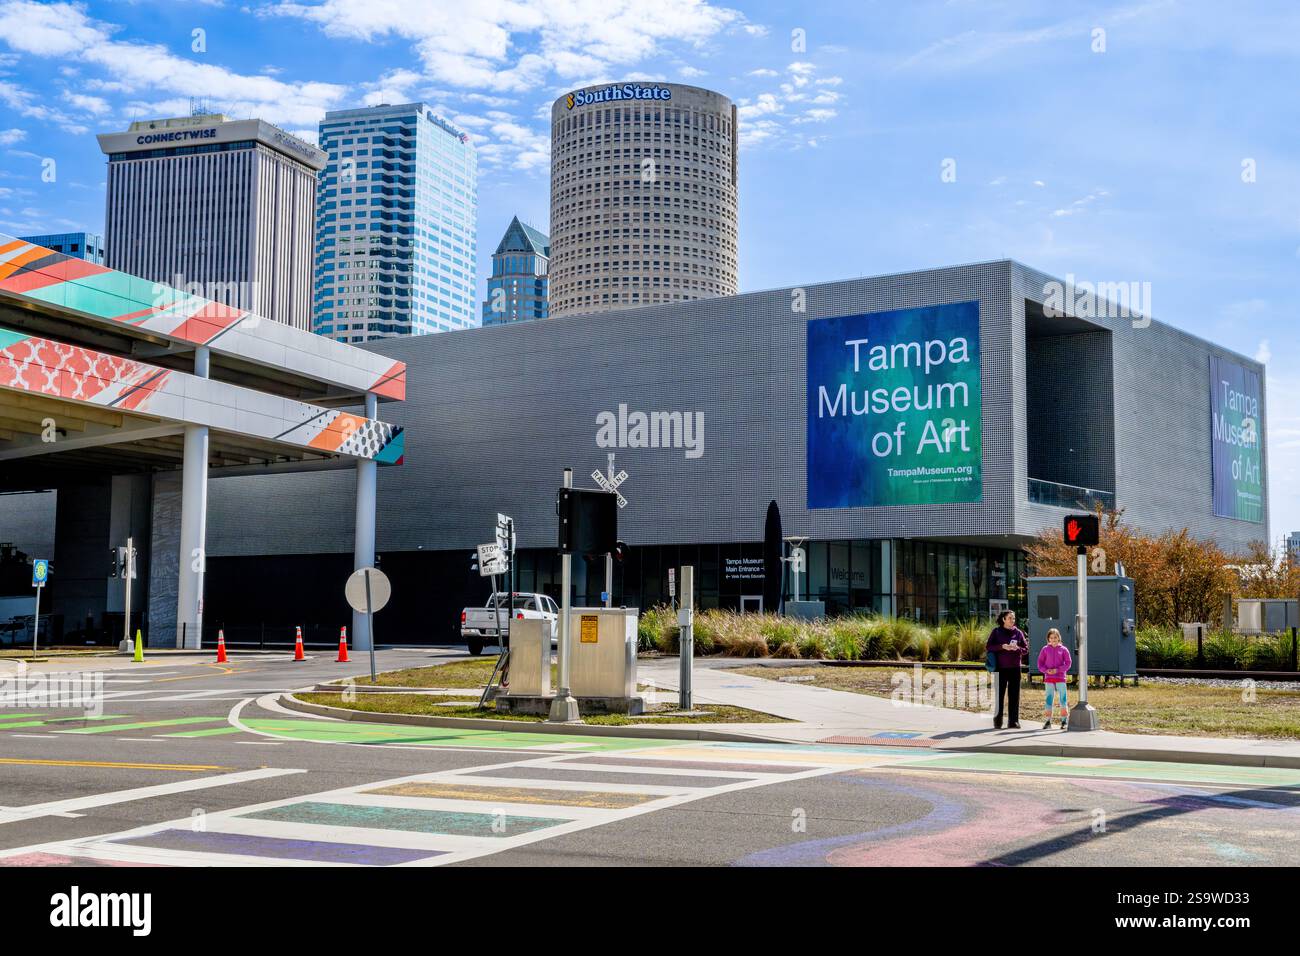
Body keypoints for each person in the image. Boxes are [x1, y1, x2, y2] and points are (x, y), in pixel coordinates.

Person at [986, 609, 1028, 729]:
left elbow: (1025, 649)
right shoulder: (996, 632)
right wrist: (1002, 646)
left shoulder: (1018, 632)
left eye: (1013, 618)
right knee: (999, 695)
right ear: (1003, 619)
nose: (1012, 620)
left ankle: (1013, 721)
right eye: (1010, 618)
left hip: (1015, 668)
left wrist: (1017, 649)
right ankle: (998, 720)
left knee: (1014, 695)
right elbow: (989, 646)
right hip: (1000, 668)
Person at [1037, 628, 1072, 730]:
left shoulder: (1064, 650)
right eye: (1051, 638)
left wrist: (1058, 670)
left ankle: (1064, 721)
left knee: (1063, 699)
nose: (1053, 639)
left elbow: (1068, 663)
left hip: (1061, 678)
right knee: (1048, 700)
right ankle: (1048, 721)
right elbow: (1040, 663)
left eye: (1055, 637)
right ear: (1048, 639)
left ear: (1059, 638)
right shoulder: (1045, 649)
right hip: (1049, 679)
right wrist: (1046, 670)